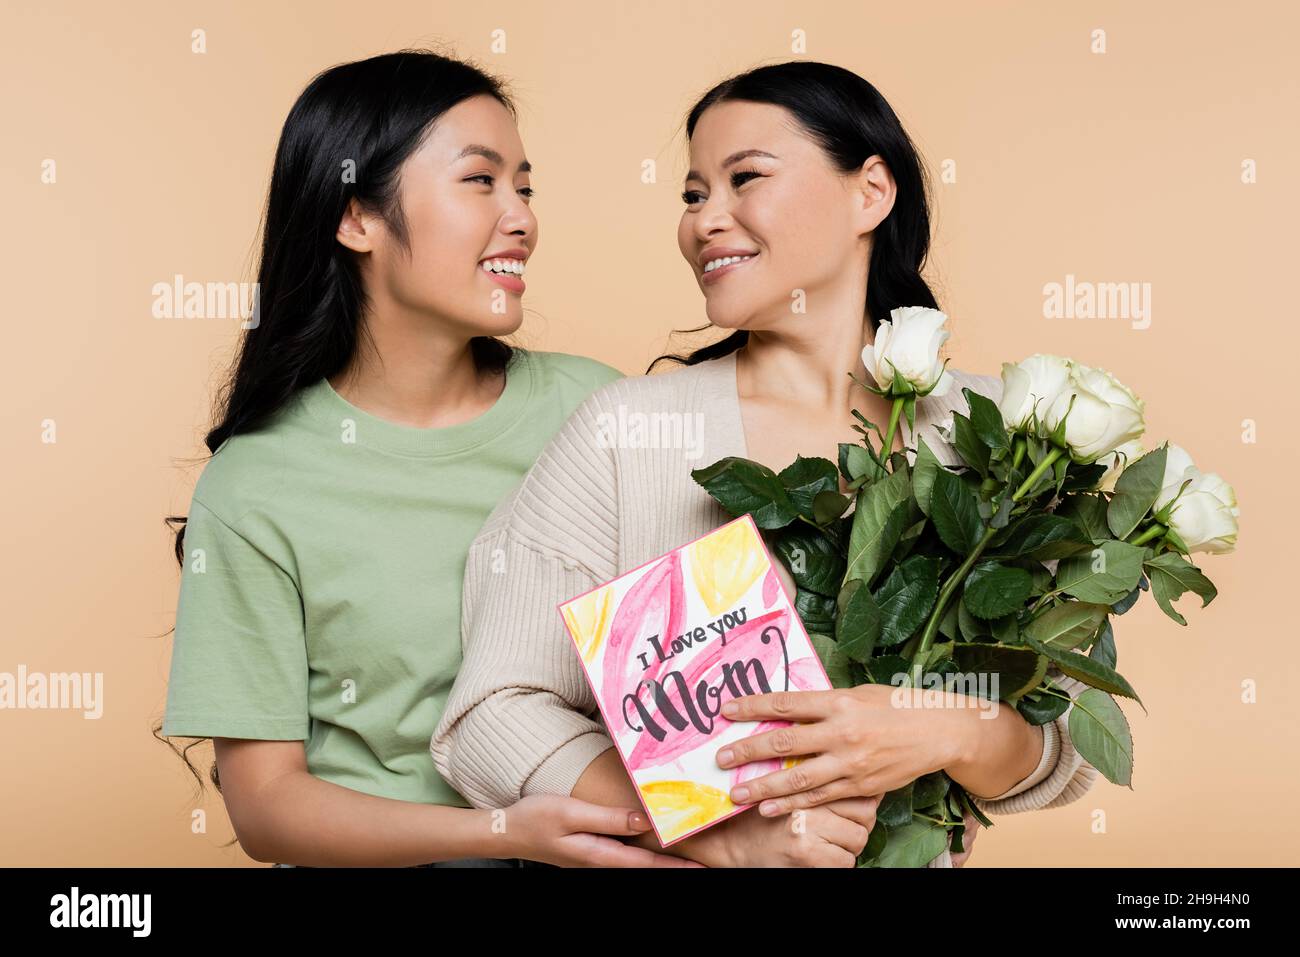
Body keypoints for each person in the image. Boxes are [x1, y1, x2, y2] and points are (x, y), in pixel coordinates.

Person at [432, 60, 1098, 867]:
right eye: (690, 194)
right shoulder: (626, 434)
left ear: (871, 192)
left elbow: (1068, 746)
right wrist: (706, 824)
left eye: (744, 177)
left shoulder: (1000, 441)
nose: (705, 219)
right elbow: (491, 715)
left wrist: (949, 725)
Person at [159, 49, 696, 868]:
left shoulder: (598, 412)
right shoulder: (257, 484)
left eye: (524, 185)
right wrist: (506, 831)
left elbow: (691, 671)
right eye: (480, 181)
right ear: (356, 218)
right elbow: (267, 805)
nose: (520, 217)